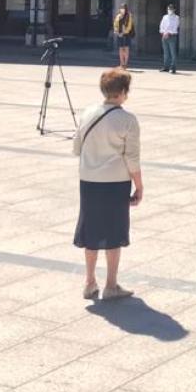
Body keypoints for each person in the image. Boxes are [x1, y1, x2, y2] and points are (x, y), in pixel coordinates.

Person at [72, 69, 143, 301]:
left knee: (90, 230)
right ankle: (111, 284)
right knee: (114, 232)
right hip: (115, 182)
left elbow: (76, 147)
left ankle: (89, 281)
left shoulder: (88, 112)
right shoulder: (128, 120)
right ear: (122, 92)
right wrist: (139, 185)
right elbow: (131, 158)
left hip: (89, 179)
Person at [159, 4, 180, 74]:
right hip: (164, 36)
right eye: (168, 9)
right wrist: (163, 32)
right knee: (166, 53)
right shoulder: (165, 17)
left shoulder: (176, 17)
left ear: (174, 10)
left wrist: (168, 33)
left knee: (173, 53)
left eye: (171, 9)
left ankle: (173, 68)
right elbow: (162, 25)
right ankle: (166, 67)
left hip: (172, 36)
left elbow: (175, 27)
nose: (169, 10)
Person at [112, 4, 135, 70]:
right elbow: (115, 24)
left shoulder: (129, 16)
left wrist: (124, 32)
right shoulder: (118, 16)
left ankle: (125, 63)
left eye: (124, 8)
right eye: (121, 8)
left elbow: (129, 26)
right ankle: (121, 63)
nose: (122, 10)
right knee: (121, 49)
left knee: (126, 49)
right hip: (119, 35)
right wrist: (116, 31)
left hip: (126, 35)